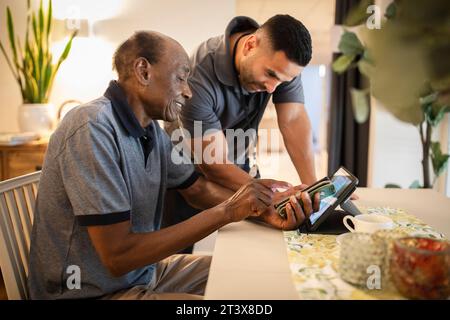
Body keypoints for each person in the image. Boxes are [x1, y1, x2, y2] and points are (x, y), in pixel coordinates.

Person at [27, 31, 313, 300]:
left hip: (141, 274)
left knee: (252, 279)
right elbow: (118, 256)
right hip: (90, 291)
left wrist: (263, 211)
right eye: (180, 78)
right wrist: (228, 211)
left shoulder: (151, 131)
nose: (188, 92)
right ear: (143, 72)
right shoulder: (91, 127)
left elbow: (197, 189)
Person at [164, 15, 316, 246]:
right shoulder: (197, 75)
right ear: (249, 45)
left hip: (238, 162)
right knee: (176, 251)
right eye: (270, 75)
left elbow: (293, 119)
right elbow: (212, 163)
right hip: (190, 172)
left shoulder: (283, 66)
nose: (272, 87)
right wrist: (270, 197)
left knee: (254, 241)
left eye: (283, 81)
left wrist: (314, 188)